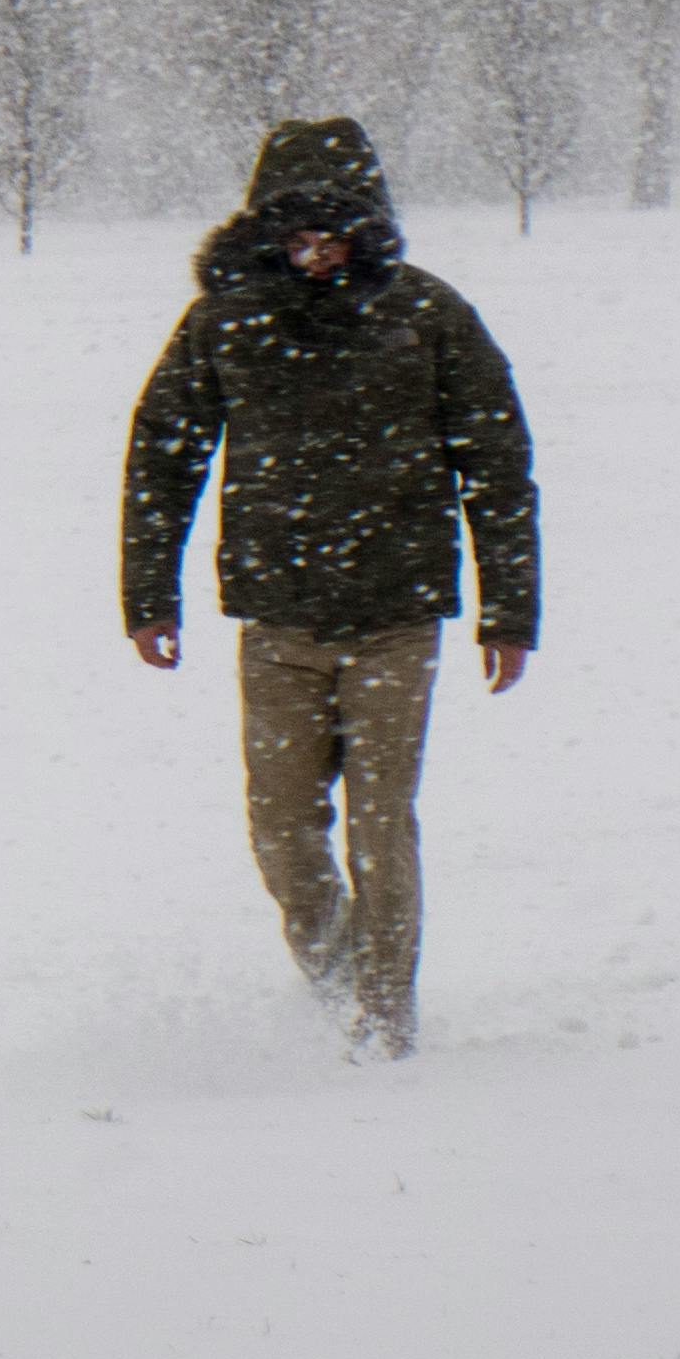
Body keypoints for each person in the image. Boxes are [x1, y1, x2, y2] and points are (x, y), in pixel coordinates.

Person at [120, 116, 539, 1053]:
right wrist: (149, 597)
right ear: (263, 232)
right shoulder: (222, 322)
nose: (315, 252)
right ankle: (340, 968)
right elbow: (162, 458)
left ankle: (385, 1021)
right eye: (295, 233)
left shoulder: (428, 316)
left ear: (370, 226)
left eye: (335, 231)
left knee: (379, 828)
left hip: (397, 621)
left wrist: (508, 611)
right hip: (276, 625)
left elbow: (498, 466)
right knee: (280, 836)